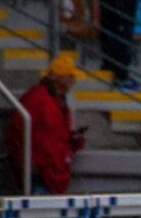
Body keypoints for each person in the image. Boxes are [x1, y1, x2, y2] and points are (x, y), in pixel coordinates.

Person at [5, 55, 86, 195]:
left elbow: (53, 136)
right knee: (40, 211)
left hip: (49, 170)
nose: (73, 80)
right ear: (57, 78)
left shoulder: (55, 100)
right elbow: (20, 132)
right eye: (70, 76)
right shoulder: (41, 100)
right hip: (43, 172)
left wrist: (71, 139)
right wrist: (30, 163)